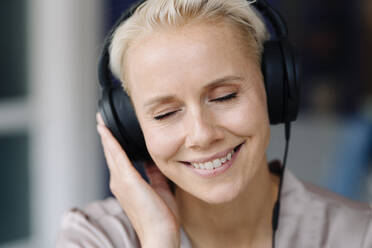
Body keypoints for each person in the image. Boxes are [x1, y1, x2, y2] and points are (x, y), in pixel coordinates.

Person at [56, 0, 372, 247]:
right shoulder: (94, 238)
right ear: (131, 127)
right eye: (165, 114)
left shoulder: (358, 236)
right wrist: (159, 241)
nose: (202, 135)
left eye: (224, 96)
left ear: (274, 88)